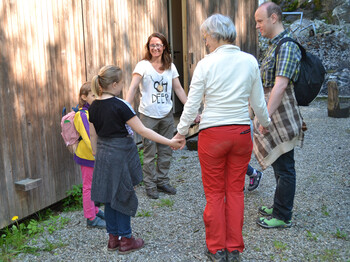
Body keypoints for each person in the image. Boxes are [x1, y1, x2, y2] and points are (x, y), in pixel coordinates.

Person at [174, 14, 270, 262]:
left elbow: (192, 103)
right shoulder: (249, 61)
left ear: (215, 36)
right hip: (240, 133)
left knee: (215, 193)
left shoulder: (206, 64)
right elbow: (258, 102)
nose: (205, 42)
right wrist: (266, 124)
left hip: (213, 134)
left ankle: (216, 248)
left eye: (206, 37)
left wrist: (181, 132)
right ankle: (235, 248)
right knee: (236, 191)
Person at [88, 65, 182, 254]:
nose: (122, 86)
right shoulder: (120, 105)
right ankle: (126, 239)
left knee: (109, 195)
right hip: (120, 155)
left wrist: (96, 154)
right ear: (114, 84)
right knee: (122, 194)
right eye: (121, 82)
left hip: (103, 154)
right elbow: (143, 130)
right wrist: (169, 140)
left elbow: (93, 135)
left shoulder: (94, 105)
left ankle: (113, 238)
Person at [254, 2, 304, 229]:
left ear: (274, 18)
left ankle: (283, 216)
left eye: (260, 21)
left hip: (279, 115)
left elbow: (281, 85)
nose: (257, 26)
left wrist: (265, 118)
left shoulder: (286, 46)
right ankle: (279, 206)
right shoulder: (276, 46)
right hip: (275, 114)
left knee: (285, 167)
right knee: (279, 163)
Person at [126, 32, 188, 199]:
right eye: (152, 45)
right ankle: (150, 185)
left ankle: (162, 181)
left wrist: (191, 109)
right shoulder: (142, 65)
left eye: (158, 45)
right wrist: (125, 108)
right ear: (149, 47)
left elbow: (178, 89)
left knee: (166, 150)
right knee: (149, 152)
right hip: (148, 116)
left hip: (166, 115)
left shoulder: (170, 66)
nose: (155, 48)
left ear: (164, 47)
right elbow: (132, 88)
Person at [73, 82, 106, 229]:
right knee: (88, 187)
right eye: (93, 95)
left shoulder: (92, 111)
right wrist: (98, 153)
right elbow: (88, 137)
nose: (97, 98)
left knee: (94, 185)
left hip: (94, 155)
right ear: (84, 97)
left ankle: (95, 209)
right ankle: (90, 218)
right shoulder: (82, 115)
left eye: (98, 94)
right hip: (88, 157)